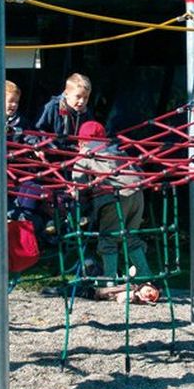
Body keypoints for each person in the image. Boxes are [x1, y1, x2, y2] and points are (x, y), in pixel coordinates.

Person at [71, 120, 156, 295]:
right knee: (130, 236)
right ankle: (144, 274)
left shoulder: (84, 155)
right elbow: (137, 168)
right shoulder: (117, 150)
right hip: (137, 193)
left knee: (108, 238)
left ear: (80, 141)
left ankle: (109, 281)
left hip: (115, 197)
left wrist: (76, 194)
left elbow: (77, 184)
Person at [35, 73, 94, 140]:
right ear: (66, 94)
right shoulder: (53, 107)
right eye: (78, 97)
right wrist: (46, 146)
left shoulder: (87, 114)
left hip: (75, 150)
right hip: (52, 148)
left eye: (86, 98)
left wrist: (87, 147)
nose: (82, 101)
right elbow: (38, 131)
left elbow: (91, 136)